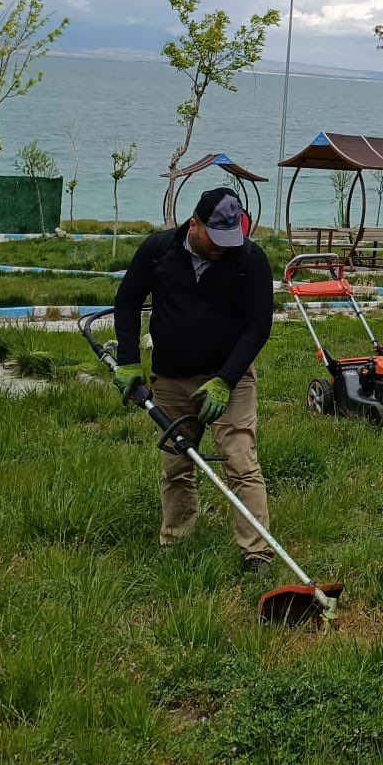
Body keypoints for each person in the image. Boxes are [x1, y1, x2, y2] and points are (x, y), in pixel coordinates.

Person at [110, 186, 277, 571]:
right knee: (177, 463)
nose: (222, 246)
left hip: (228, 379)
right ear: (195, 223)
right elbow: (128, 300)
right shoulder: (158, 250)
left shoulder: (249, 259)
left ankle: (256, 552)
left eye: (230, 238)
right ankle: (175, 540)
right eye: (214, 238)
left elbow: (258, 325)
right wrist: (129, 360)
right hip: (171, 377)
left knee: (241, 460)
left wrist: (227, 379)